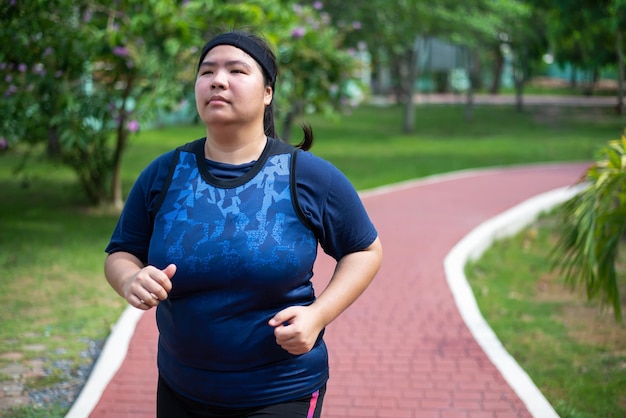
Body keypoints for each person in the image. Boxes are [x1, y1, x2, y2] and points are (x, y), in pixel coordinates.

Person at [104, 30, 383, 418]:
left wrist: (318, 315)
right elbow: (121, 252)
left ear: (267, 92)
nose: (218, 80)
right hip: (181, 386)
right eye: (207, 72)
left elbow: (364, 249)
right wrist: (129, 279)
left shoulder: (306, 175)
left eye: (237, 70)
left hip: (280, 389)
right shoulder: (164, 174)